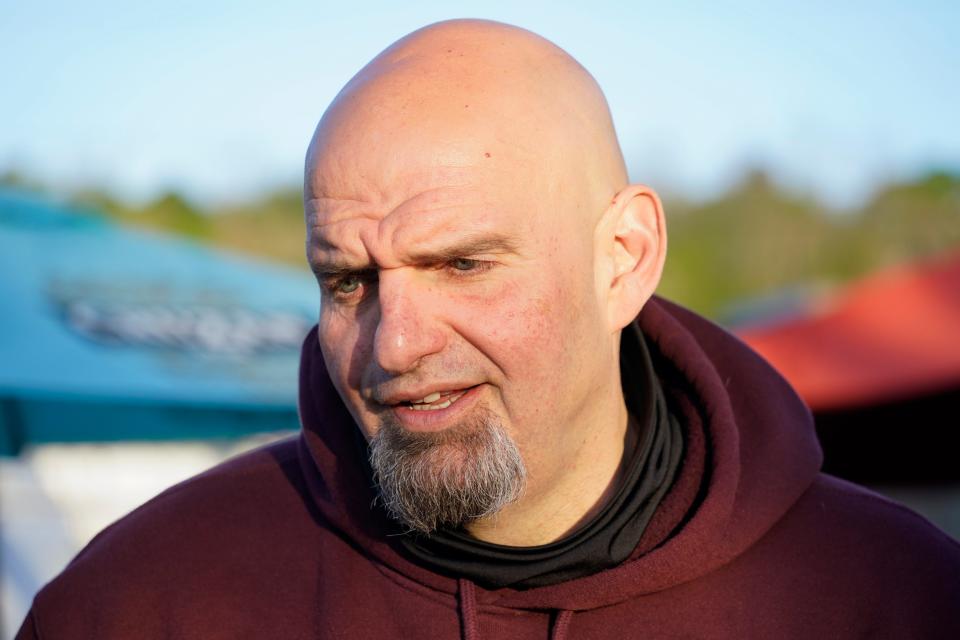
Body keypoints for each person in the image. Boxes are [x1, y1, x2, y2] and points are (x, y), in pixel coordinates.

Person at [18, 19, 960, 640]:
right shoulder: (147, 602)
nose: (393, 346)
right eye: (348, 281)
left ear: (624, 256)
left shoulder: (892, 598)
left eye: (463, 264)